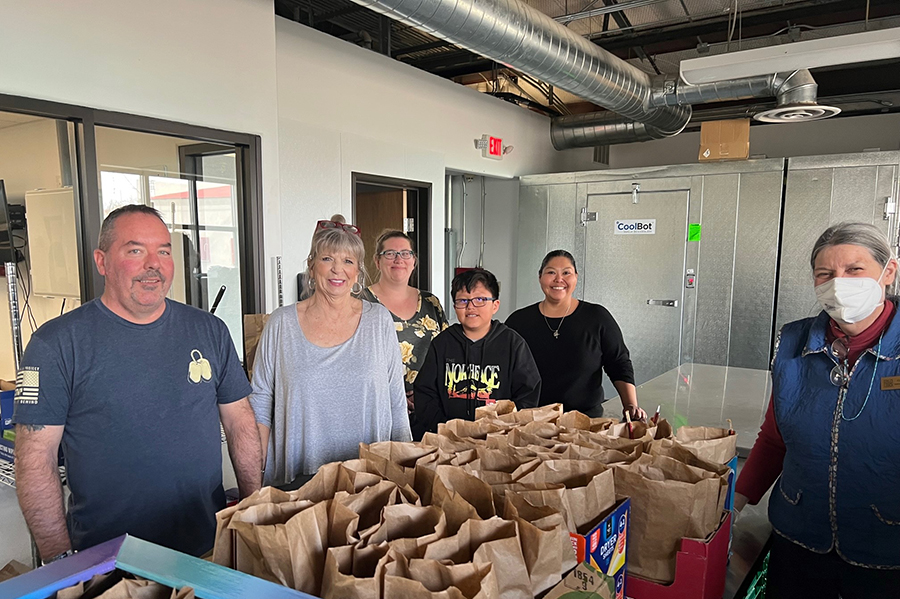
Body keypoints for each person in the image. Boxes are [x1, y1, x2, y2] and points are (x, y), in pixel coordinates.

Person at [13, 205, 261, 562]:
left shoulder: (208, 330)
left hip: (207, 547)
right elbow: (36, 460)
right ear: (102, 262)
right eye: (135, 251)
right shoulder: (57, 345)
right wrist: (62, 565)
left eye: (163, 251)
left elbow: (240, 422)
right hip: (108, 558)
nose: (153, 264)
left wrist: (253, 509)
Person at [735, 222, 900, 598]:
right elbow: (776, 438)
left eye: (854, 270)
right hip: (799, 537)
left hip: (887, 546)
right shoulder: (794, 342)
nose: (838, 283)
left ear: (888, 271)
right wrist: (737, 503)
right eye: (824, 274)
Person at [251, 221, 411, 486]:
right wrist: (254, 473)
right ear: (312, 267)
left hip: (370, 481)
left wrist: (405, 468)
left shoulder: (378, 320)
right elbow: (260, 400)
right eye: (327, 258)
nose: (338, 269)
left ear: (358, 271)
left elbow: (396, 398)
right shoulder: (281, 323)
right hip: (297, 481)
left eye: (348, 260)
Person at [506, 250, 646, 420]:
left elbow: (618, 363)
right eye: (551, 272)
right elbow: (503, 368)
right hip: (530, 420)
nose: (559, 279)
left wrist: (630, 406)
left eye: (566, 273)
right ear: (540, 277)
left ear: (576, 277)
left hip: (586, 420)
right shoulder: (519, 321)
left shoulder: (597, 317)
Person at [414, 269, 541, 433]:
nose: (470, 307)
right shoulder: (442, 343)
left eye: (480, 299)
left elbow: (528, 395)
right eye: (462, 301)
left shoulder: (513, 344)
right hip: (448, 438)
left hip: (500, 439)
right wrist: (445, 428)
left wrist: (505, 429)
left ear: (495, 305)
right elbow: (425, 392)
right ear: (454, 306)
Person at [362, 230, 448, 439]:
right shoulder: (360, 302)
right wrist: (397, 396)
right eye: (390, 253)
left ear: (414, 261)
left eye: (405, 253)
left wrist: (426, 394)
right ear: (377, 261)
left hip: (428, 408)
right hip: (378, 408)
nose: (398, 259)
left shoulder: (431, 302)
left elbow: (447, 351)